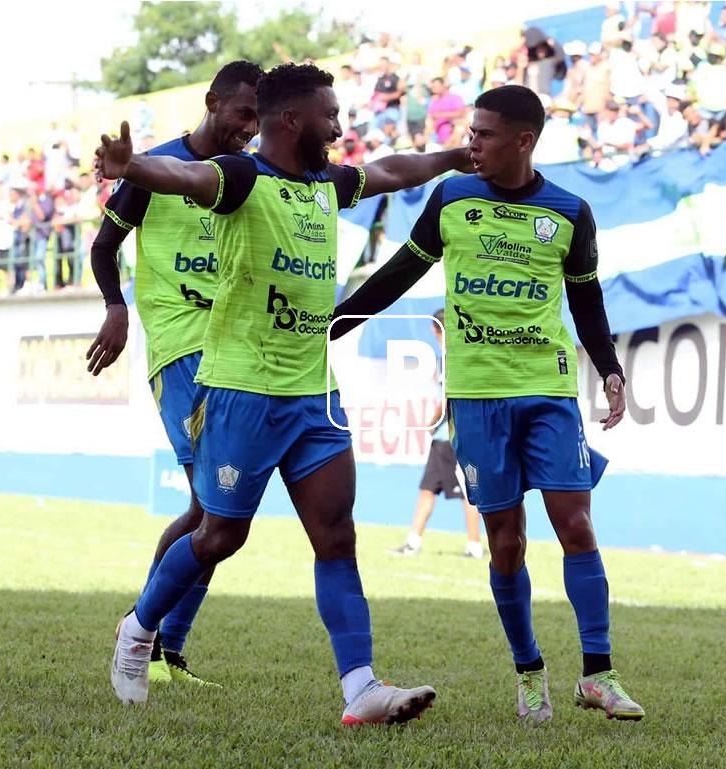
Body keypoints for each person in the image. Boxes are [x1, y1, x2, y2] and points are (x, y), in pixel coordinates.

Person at [95, 62, 472, 725]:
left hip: (313, 392)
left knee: (336, 535)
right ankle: (140, 626)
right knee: (217, 535)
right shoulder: (242, 177)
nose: (339, 125)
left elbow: (390, 170)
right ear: (292, 120)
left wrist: (450, 156)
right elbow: (187, 175)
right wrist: (134, 168)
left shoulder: (328, 182)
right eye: (330, 115)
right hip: (241, 389)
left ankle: (360, 686)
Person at [330, 85, 644, 725]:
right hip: (475, 397)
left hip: (548, 389)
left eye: (484, 134)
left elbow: (586, 302)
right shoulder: (450, 198)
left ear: (524, 140)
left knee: (576, 523)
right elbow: (398, 272)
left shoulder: (569, 212)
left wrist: (609, 370)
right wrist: (336, 321)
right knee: (505, 540)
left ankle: (599, 673)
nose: (470, 144)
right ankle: (530, 675)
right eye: (470, 132)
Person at [85, 60, 263, 689]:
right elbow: (104, 246)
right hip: (181, 351)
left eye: (260, 119)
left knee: (213, 510)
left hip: (237, 354)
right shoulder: (154, 169)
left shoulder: (249, 177)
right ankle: (148, 633)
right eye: (243, 113)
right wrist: (116, 309)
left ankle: (159, 639)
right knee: (213, 508)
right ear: (213, 101)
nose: (250, 128)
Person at [390, 310, 483, 559]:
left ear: (434, 329)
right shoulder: (458, 354)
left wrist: (429, 424)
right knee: (428, 488)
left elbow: (445, 399)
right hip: (447, 437)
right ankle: (413, 542)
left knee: (467, 492)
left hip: (451, 436)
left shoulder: (448, 356)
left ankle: (474, 546)